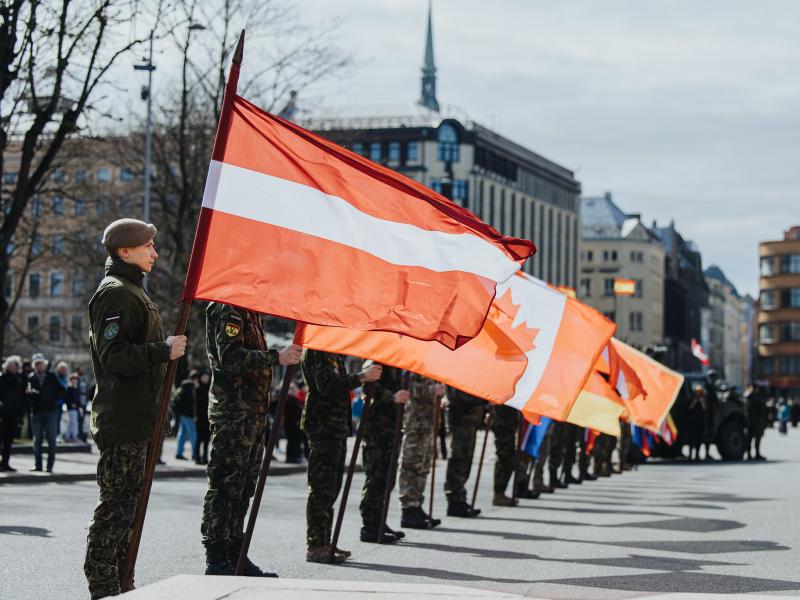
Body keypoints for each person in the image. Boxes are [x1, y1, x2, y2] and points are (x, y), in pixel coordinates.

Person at [84, 218, 187, 600]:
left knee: (129, 508)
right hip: (123, 420)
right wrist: (162, 351)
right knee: (116, 507)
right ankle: (105, 585)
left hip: (138, 417)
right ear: (124, 251)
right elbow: (114, 358)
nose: (155, 253)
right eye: (148, 247)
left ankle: (121, 582)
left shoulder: (131, 290)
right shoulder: (116, 294)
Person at [200, 302, 302, 577]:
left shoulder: (250, 312)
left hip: (253, 413)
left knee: (244, 488)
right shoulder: (227, 307)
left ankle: (236, 554)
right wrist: (275, 358)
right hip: (233, 411)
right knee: (226, 485)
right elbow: (230, 358)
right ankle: (217, 556)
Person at [301, 351, 381, 563]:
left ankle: (325, 541)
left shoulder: (332, 353)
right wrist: (361, 377)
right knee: (321, 488)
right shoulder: (316, 350)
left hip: (335, 427)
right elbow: (327, 385)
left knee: (332, 488)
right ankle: (316, 544)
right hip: (322, 426)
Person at [359, 366, 409, 542]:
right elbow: (368, 387)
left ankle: (379, 522)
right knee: (376, 477)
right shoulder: (377, 360)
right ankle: (370, 525)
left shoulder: (395, 364)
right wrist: (392, 397)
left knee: (387, 478)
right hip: (377, 429)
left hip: (390, 429)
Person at [398, 374, 443, 528]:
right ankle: (408, 508)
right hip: (416, 424)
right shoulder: (415, 365)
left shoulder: (431, 368)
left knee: (423, 467)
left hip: (428, 425)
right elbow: (410, 388)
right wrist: (432, 390)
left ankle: (417, 505)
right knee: (411, 465)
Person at [444, 386, 485, 517]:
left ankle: (460, 497)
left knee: (466, 460)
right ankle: (454, 500)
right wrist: (483, 399)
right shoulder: (457, 374)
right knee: (458, 459)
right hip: (460, 420)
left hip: (469, 421)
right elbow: (457, 395)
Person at [27, 353, 66, 473]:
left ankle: (50, 466)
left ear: (44, 364)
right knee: (36, 440)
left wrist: (52, 398)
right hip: (37, 412)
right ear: (34, 365)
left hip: (51, 412)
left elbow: (62, 390)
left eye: (41, 363)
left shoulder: (52, 376)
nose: (39, 366)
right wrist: (30, 394)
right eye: (37, 364)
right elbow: (27, 395)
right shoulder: (31, 377)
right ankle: (38, 465)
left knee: (51, 440)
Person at [490, 403, 525, 506]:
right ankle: (499, 494)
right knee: (504, 457)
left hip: (507, 425)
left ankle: (500, 493)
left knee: (507, 457)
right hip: (503, 425)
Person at [0, 355, 26, 472]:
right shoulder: (2, 378)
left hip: (13, 415)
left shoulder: (19, 380)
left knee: (8, 441)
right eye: (14, 364)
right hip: (2, 415)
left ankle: (5, 463)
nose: (17, 367)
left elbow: (21, 397)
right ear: (8, 366)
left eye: (17, 365)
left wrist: (21, 414)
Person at [174, 370, 198, 460]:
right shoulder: (191, 388)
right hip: (189, 415)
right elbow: (191, 404)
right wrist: (195, 415)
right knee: (193, 434)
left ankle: (179, 453)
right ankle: (195, 454)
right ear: (195, 379)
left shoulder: (184, 386)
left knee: (182, 434)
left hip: (181, 414)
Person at [284, 381, 304, 464]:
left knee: (296, 441)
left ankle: (296, 456)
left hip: (295, 424)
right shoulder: (289, 400)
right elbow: (290, 413)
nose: (295, 391)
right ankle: (291, 457)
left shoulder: (294, 400)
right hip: (291, 424)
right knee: (292, 441)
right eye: (292, 389)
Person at [194, 371, 211, 465]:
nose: (205, 379)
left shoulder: (210, 389)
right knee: (199, 438)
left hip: (208, 418)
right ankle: (197, 457)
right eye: (204, 377)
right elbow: (196, 404)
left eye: (207, 377)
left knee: (207, 439)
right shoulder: (197, 389)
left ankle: (205, 457)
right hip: (199, 418)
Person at [687, 384, 707, 461]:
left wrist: (701, 401)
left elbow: (705, 409)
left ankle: (697, 455)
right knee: (692, 439)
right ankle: (690, 455)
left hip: (700, 422)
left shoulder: (704, 399)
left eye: (699, 391)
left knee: (699, 439)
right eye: (697, 391)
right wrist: (695, 402)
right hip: (693, 422)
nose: (698, 393)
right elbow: (689, 408)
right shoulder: (692, 398)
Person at [64, 373, 81, 442]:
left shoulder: (75, 388)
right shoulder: (69, 388)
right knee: (74, 423)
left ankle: (67, 437)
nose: (75, 381)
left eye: (75, 379)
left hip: (76, 408)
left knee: (72, 423)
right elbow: (66, 399)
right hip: (71, 408)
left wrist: (79, 407)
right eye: (73, 379)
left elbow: (77, 399)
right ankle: (74, 437)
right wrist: (71, 404)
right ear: (70, 380)